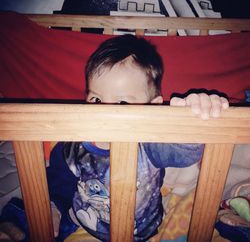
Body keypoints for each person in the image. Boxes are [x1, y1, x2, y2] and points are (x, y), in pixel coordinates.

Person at [47, 34, 229, 241]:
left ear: (154, 106)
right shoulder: (74, 144)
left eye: (122, 103)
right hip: (86, 226)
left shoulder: (150, 143)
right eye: (96, 99)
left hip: (145, 231)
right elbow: (59, 182)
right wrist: (54, 206)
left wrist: (193, 117)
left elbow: (186, 152)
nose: (106, 112)